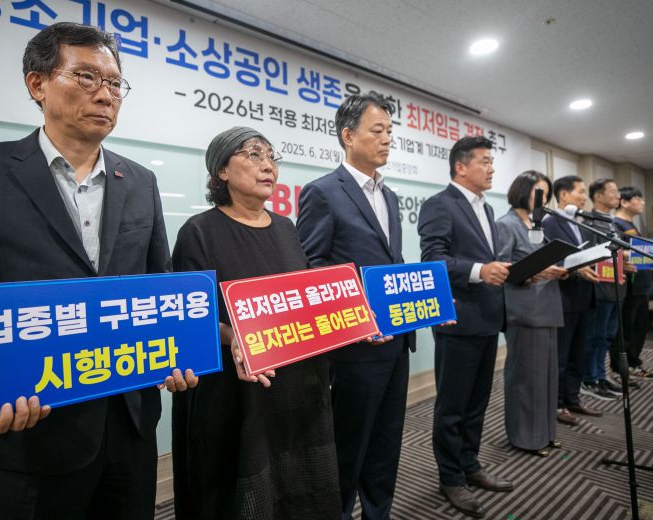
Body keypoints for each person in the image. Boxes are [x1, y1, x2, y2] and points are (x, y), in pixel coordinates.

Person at [0, 22, 197, 519]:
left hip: (130, 425)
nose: (105, 94)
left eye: (114, 84)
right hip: (31, 430)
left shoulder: (140, 181)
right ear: (38, 84)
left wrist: (177, 350)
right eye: (87, 77)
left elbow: (161, 286)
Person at [171, 127, 340, 520]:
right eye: (252, 154)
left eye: (270, 156)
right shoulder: (199, 232)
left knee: (298, 486)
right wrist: (234, 337)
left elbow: (300, 302)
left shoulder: (286, 227)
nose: (267, 165)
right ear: (222, 172)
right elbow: (191, 318)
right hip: (234, 393)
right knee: (243, 491)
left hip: (295, 388)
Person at [296, 93, 415, 520]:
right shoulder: (323, 193)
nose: (387, 140)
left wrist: (424, 305)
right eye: (377, 131)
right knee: (350, 444)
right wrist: (355, 320)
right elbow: (313, 269)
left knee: (387, 441)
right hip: (354, 347)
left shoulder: (392, 197)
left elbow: (391, 264)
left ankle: (378, 513)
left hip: (396, 340)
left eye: (390, 132)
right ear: (348, 136)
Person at [417, 136, 513, 519]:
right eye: (485, 161)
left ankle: (471, 465)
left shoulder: (486, 209)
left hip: (488, 319)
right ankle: (451, 477)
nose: (491, 168)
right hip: (457, 321)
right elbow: (432, 261)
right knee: (452, 406)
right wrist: (478, 271)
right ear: (461, 166)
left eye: (492, 162)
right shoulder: (439, 205)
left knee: (477, 403)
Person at [496, 171, 567, 456]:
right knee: (526, 378)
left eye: (546, 194)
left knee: (547, 377)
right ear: (522, 191)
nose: (543, 199)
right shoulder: (506, 224)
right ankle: (525, 437)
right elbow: (501, 267)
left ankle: (545, 433)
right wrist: (536, 271)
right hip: (524, 309)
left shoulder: (538, 225)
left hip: (547, 305)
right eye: (539, 192)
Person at [543, 176, 602, 426]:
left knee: (578, 353)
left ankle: (572, 397)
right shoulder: (550, 223)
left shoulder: (581, 222)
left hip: (584, 297)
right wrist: (577, 269)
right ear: (563, 195)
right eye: (580, 191)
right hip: (563, 297)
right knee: (561, 355)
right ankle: (556, 403)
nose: (584, 196)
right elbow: (550, 258)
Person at [580, 178, 632, 400]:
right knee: (595, 336)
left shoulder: (613, 223)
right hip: (599, 289)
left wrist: (625, 263)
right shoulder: (588, 222)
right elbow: (587, 255)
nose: (617, 195)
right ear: (598, 196)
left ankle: (602, 375)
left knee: (607, 337)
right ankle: (589, 378)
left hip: (616, 289)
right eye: (612, 191)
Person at [612, 186, 653, 379]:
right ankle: (620, 368)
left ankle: (634, 364)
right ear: (624, 202)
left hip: (642, 286)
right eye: (638, 199)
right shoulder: (616, 224)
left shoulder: (631, 225)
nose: (643, 202)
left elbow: (637, 253)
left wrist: (651, 261)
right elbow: (617, 253)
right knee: (626, 331)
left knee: (640, 329)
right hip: (629, 288)